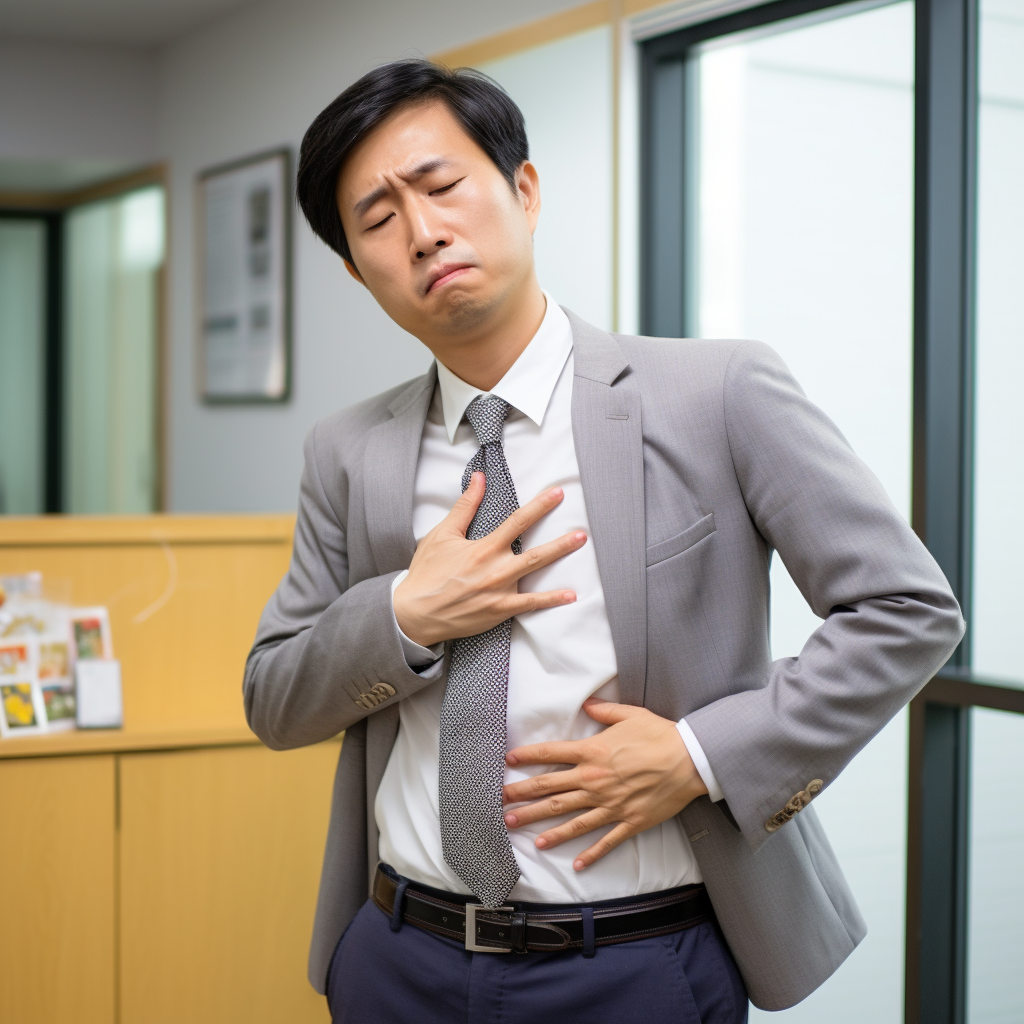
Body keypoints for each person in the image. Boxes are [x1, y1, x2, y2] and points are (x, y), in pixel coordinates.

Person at [244, 59, 964, 1024]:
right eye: (377, 220)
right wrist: (404, 616)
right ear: (355, 269)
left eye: (444, 186)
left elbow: (906, 609)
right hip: (398, 958)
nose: (422, 232)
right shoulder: (347, 451)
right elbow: (274, 696)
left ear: (524, 190)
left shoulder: (717, 394)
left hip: (636, 960)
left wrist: (704, 756)